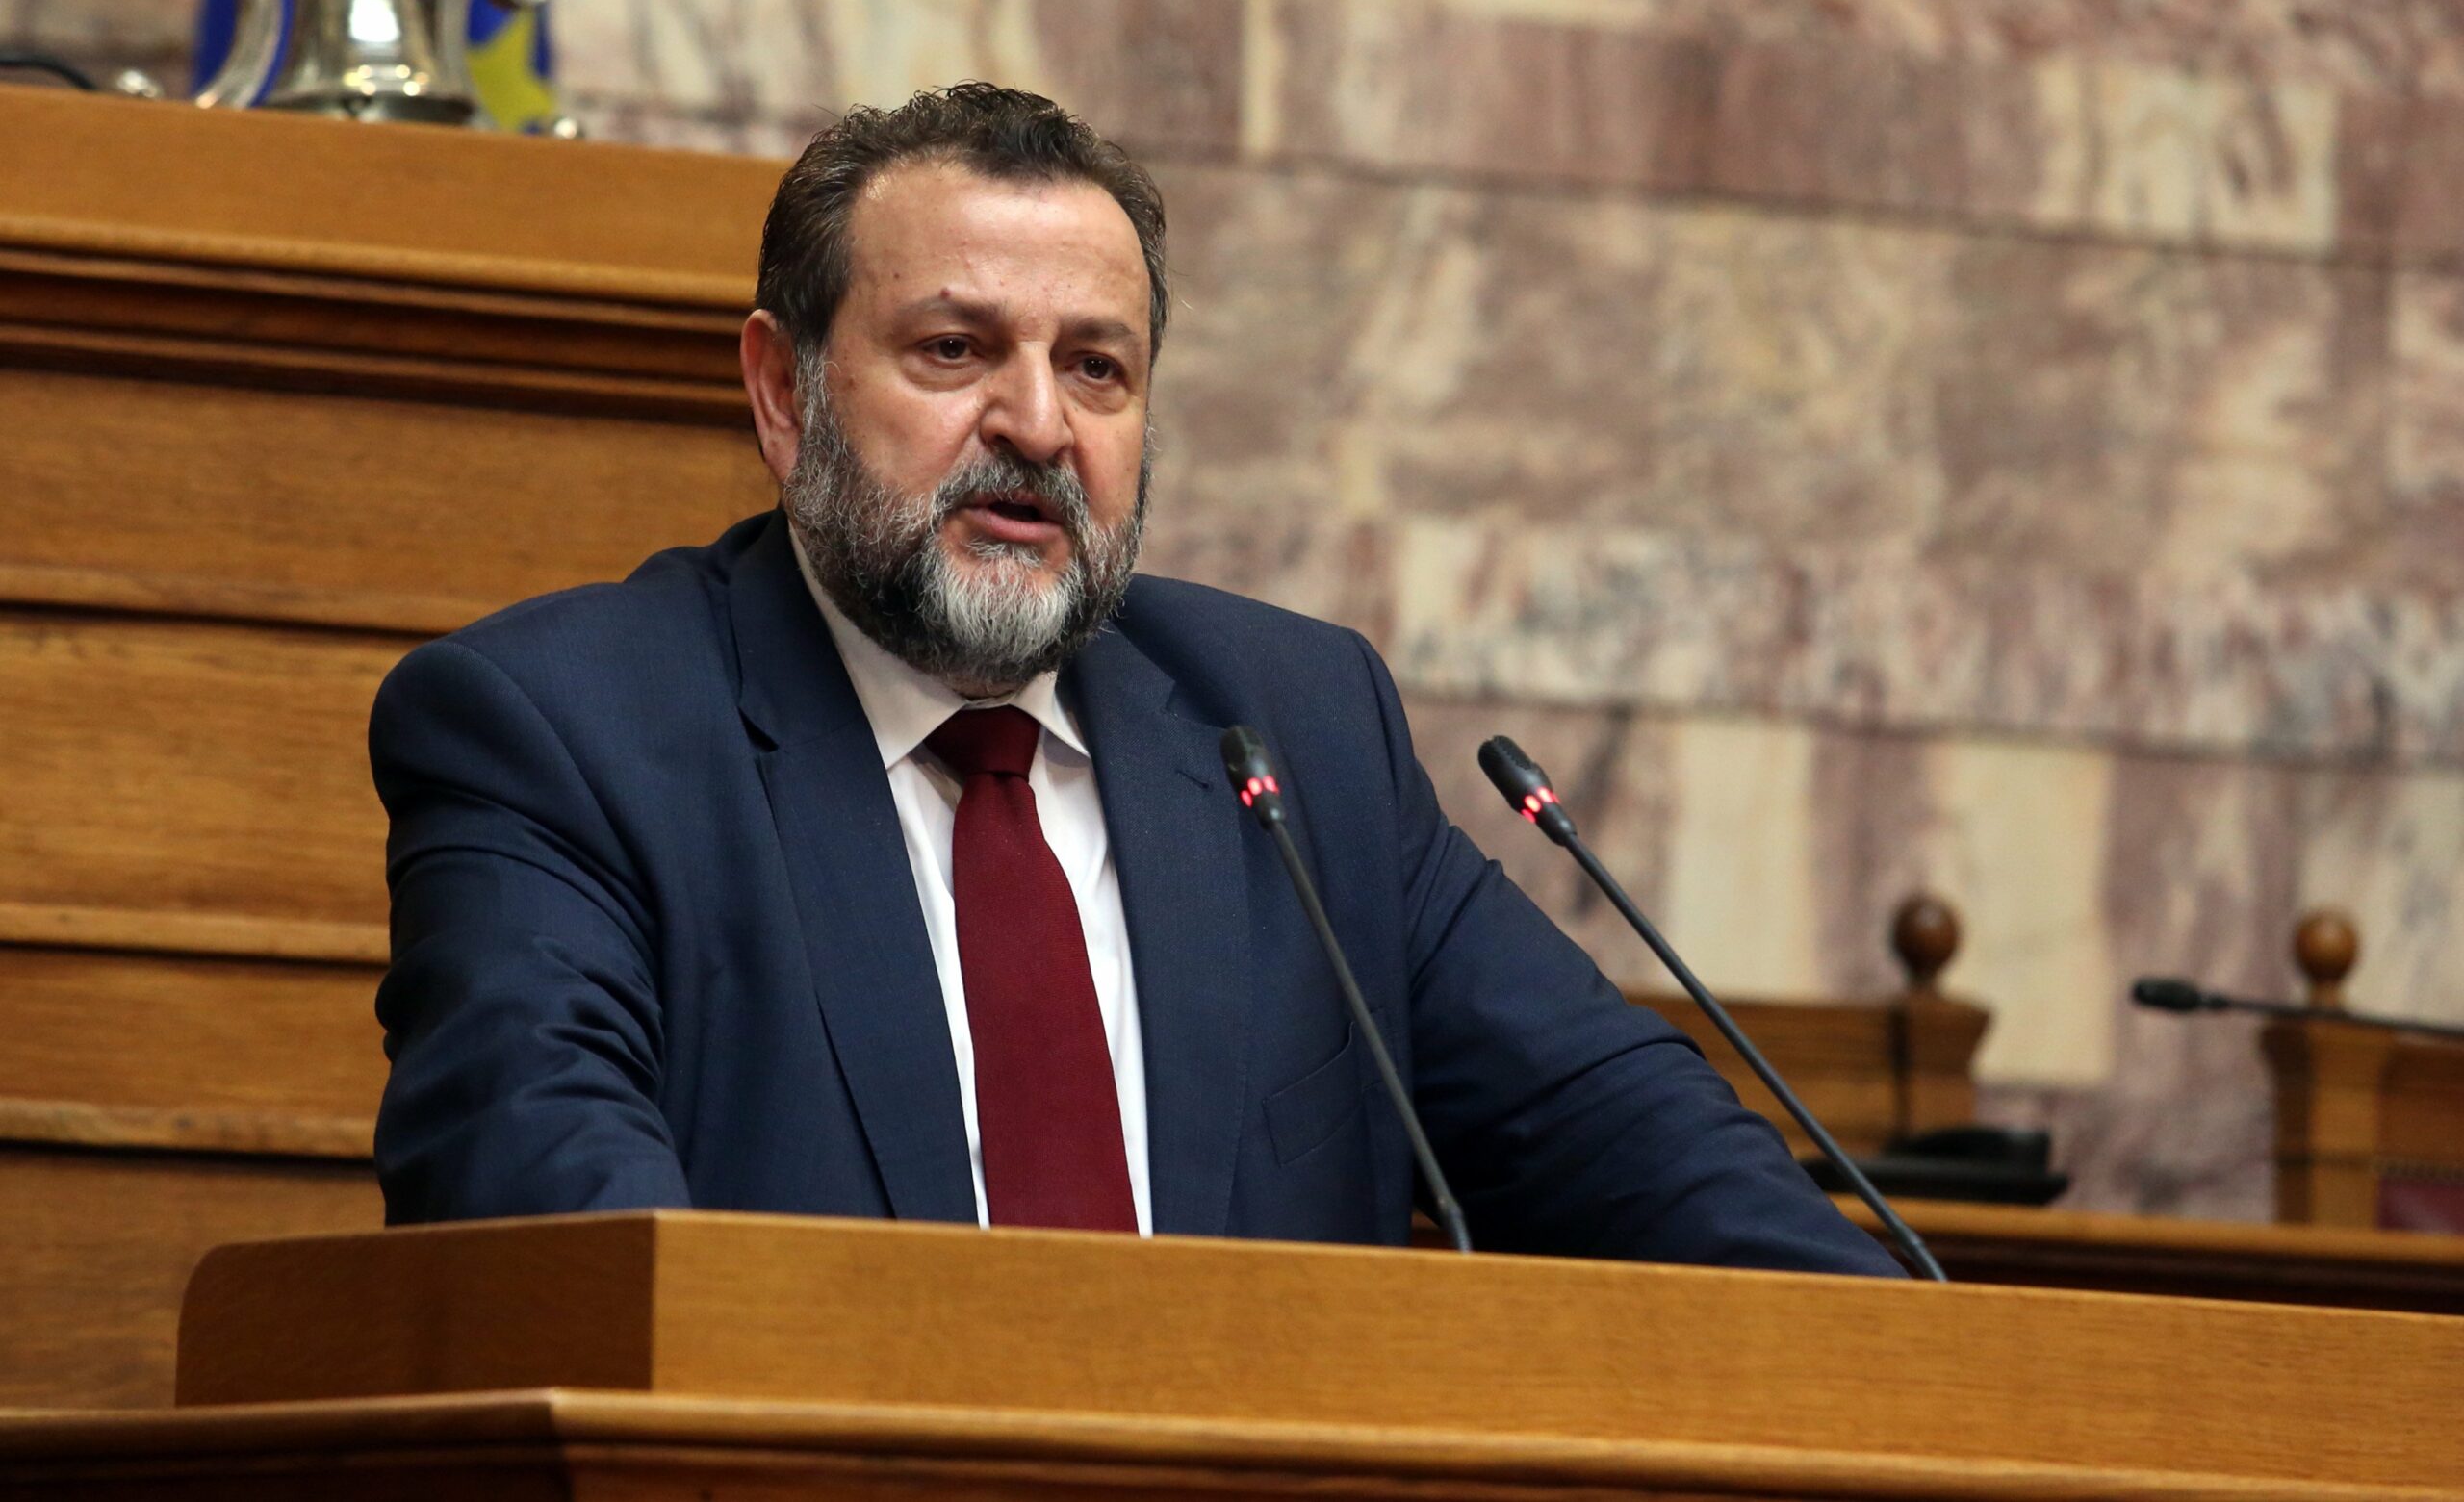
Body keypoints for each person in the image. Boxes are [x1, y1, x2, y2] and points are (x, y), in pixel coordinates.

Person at [370, 82, 1901, 1275]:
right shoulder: (563, 732)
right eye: (956, 350)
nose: (1039, 425)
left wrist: (1923, 1377)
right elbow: (551, 1228)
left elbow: (1629, 1153)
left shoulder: (1293, 732)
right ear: (784, 392)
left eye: (1097, 367)